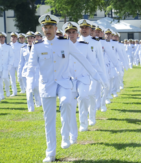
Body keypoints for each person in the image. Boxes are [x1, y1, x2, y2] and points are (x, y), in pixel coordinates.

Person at [26, 14, 105, 162]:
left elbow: (82, 59)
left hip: (63, 82)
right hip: (47, 85)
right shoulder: (37, 47)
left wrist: (96, 76)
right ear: (42, 29)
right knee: (48, 120)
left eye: (51, 27)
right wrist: (30, 85)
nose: (48, 30)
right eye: (45, 27)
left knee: (67, 102)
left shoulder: (65, 43)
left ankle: (65, 135)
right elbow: (31, 68)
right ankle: (50, 153)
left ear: (56, 29)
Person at [18, 31, 41, 111]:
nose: (30, 39)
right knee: (29, 89)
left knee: (36, 88)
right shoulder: (23, 48)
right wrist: (19, 73)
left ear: (34, 39)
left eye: (31, 38)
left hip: (37, 71)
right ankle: (30, 108)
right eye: (28, 38)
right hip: (27, 72)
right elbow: (21, 62)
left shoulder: (38, 47)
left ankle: (38, 102)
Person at [0, 32, 14, 100]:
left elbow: (11, 57)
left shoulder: (8, 47)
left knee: (5, 78)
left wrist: (9, 65)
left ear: (5, 38)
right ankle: (1, 95)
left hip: (6, 66)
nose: (1, 38)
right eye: (0, 37)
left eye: (2, 37)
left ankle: (7, 90)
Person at [9, 32, 24, 96]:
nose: (13, 38)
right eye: (12, 37)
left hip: (18, 63)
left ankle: (23, 89)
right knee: (12, 78)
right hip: (11, 64)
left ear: (17, 38)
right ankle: (14, 92)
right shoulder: (8, 45)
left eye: (15, 37)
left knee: (20, 77)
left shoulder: (21, 45)